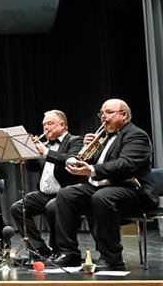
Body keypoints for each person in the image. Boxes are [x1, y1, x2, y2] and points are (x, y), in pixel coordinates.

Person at [53, 99, 158, 271]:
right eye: (101, 113)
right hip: (105, 186)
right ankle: (69, 253)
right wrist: (89, 149)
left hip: (133, 189)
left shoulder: (136, 135)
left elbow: (126, 164)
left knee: (102, 197)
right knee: (66, 194)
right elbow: (95, 162)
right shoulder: (104, 137)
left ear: (123, 115)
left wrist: (91, 169)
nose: (103, 117)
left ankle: (112, 259)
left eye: (108, 112)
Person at [9, 110, 82, 259]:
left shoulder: (75, 140)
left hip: (66, 195)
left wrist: (46, 152)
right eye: (44, 125)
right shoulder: (45, 145)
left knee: (52, 208)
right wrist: (28, 153)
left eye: (50, 124)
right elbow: (34, 168)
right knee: (17, 208)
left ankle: (59, 250)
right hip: (43, 195)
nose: (46, 128)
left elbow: (71, 160)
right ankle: (40, 249)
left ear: (62, 125)